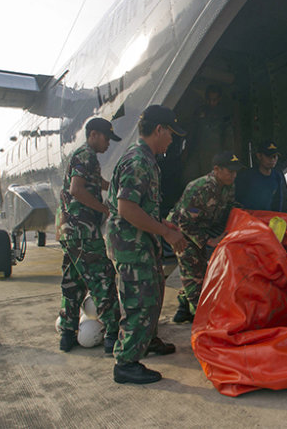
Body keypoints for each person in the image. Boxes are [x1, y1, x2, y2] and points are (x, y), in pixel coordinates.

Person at [105, 105, 188, 384]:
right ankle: (126, 363)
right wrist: (166, 233)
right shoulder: (138, 161)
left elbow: (142, 207)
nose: (172, 140)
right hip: (131, 245)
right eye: (171, 134)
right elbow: (127, 209)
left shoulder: (147, 159)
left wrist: (164, 225)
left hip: (141, 242)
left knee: (151, 294)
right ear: (159, 130)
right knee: (138, 302)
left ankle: (146, 341)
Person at [56, 118, 122, 353]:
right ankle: (113, 335)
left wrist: (112, 186)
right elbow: (76, 189)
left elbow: (96, 182)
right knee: (103, 278)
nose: (107, 145)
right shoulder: (86, 155)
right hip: (83, 231)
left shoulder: (84, 157)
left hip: (69, 231)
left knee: (72, 282)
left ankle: (67, 333)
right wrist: (106, 209)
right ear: (93, 134)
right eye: (106, 139)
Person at [167, 151, 242, 323]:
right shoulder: (198, 188)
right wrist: (209, 240)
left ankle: (184, 306)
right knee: (195, 273)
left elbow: (228, 207)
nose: (234, 175)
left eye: (235, 171)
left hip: (201, 229)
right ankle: (201, 318)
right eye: (230, 171)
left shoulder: (228, 186)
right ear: (217, 169)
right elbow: (184, 223)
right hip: (181, 233)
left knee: (198, 271)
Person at [234, 139, 287, 213]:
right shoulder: (246, 176)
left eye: (275, 156)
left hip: (267, 219)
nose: (272, 159)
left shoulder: (277, 177)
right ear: (259, 156)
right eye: (268, 156)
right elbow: (238, 201)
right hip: (249, 219)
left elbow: (277, 202)